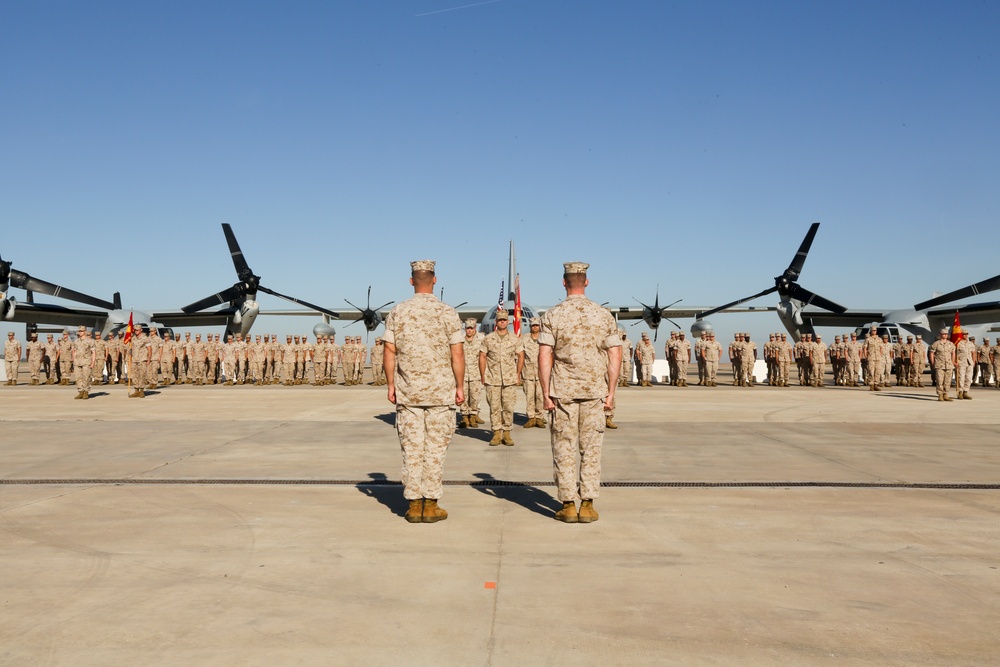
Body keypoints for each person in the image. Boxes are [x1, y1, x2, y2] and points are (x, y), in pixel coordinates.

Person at [539, 261, 621, 524]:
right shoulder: (603, 315)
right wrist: (611, 392)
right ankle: (587, 504)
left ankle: (567, 504)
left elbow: (544, 356)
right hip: (594, 391)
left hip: (562, 391)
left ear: (564, 282)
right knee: (591, 448)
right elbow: (615, 355)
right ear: (586, 282)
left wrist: (544, 392)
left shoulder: (552, 316)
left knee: (564, 447)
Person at [383, 260, 464, 524]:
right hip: (441, 394)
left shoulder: (398, 312)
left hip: (409, 394)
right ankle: (431, 505)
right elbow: (457, 353)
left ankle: (413, 505)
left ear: (411, 281)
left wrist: (391, 385)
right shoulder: (447, 312)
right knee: (435, 450)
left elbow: (389, 352)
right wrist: (460, 386)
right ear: (435, 280)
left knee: (412, 449)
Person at [479, 309, 524, 446]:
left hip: (509, 379)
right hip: (493, 379)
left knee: (509, 407)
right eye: (500, 320)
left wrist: (517, 374)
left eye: (504, 320)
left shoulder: (514, 339)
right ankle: (496, 432)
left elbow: (521, 356)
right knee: (494, 407)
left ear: (508, 322)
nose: (502, 322)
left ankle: (507, 433)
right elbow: (482, 356)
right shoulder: (488, 339)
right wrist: (483, 375)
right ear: (496, 322)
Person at [521, 317, 545, 428]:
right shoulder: (524, 339)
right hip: (528, 373)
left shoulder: (544, 338)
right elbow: (520, 357)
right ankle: (531, 417)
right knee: (529, 396)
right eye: (533, 325)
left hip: (541, 374)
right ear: (530, 327)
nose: (535, 327)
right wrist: (519, 374)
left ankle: (539, 417)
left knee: (540, 396)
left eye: (537, 325)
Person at [929, 328, 956, 402]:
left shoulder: (951, 344)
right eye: (943, 334)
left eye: (946, 334)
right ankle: (940, 395)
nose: (945, 335)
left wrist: (953, 362)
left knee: (948, 380)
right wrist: (933, 362)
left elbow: (953, 353)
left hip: (949, 365)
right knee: (939, 380)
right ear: (940, 335)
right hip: (939, 365)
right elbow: (931, 353)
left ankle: (946, 394)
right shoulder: (936, 344)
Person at [955, 329, 976, 400]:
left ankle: (966, 392)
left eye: (967, 334)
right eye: (964, 334)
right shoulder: (958, 343)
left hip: (969, 363)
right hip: (961, 362)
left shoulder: (971, 344)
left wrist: (973, 362)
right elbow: (954, 353)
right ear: (961, 335)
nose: (965, 335)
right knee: (961, 378)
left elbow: (973, 353)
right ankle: (960, 392)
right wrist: (955, 362)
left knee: (969, 378)